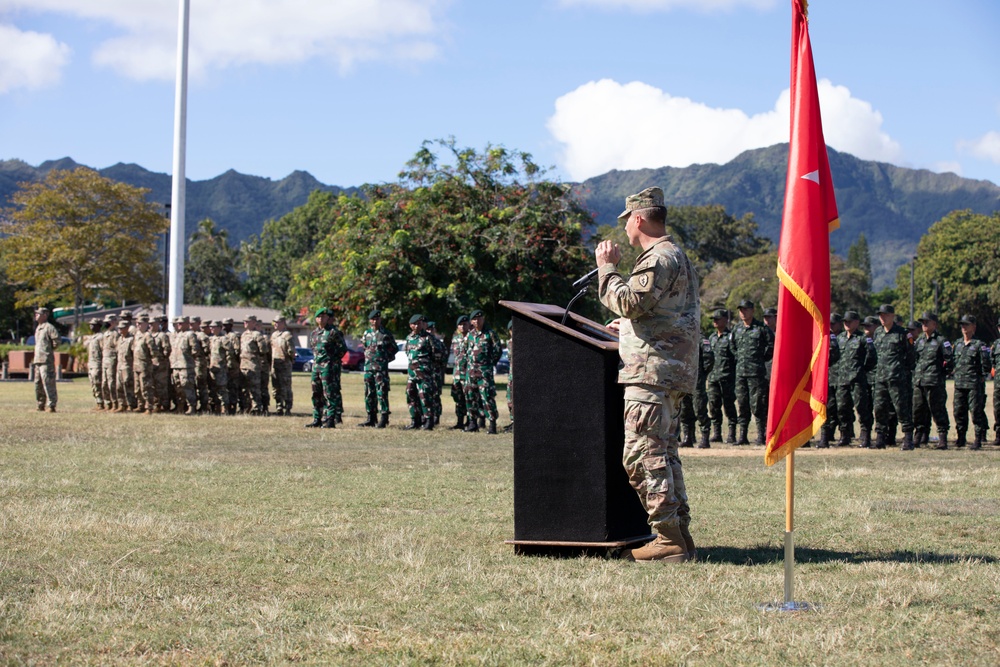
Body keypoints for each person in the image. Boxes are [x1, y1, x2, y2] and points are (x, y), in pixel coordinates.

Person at [596, 186, 700, 563]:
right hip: (667, 371)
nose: (624, 231)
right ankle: (679, 536)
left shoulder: (658, 257)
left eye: (626, 222)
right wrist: (626, 327)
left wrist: (607, 267)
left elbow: (629, 300)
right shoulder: (675, 256)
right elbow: (655, 314)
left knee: (642, 455)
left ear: (638, 219)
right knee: (664, 454)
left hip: (652, 374)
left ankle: (668, 537)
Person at [873, 304, 915, 450]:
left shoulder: (902, 333)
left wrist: (902, 372)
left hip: (896, 378)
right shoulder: (877, 332)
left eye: (885, 315)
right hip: (880, 378)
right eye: (880, 315)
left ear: (892, 316)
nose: (882, 318)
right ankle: (880, 439)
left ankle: (908, 439)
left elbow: (911, 356)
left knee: (901, 408)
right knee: (879, 408)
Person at [732, 299, 774, 445]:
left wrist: (759, 360)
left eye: (746, 309)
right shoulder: (737, 329)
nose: (743, 312)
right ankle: (742, 436)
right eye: (741, 310)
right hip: (741, 373)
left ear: (752, 310)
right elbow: (733, 348)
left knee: (758, 405)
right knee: (742, 404)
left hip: (756, 373)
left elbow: (771, 347)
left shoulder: (762, 328)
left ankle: (761, 435)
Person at [835, 311, 876, 448]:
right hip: (842, 380)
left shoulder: (863, 339)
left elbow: (871, 358)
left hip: (857, 380)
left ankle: (865, 436)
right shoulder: (840, 338)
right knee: (842, 408)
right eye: (844, 321)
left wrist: (860, 370)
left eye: (849, 321)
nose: (846, 324)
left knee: (862, 408)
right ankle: (845, 435)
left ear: (857, 322)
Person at [912, 311, 951, 449]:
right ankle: (918, 436)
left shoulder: (941, 341)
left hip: (934, 382)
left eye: (926, 322)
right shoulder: (920, 341)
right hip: (919, 381)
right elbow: (915, 359)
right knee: (918, 409)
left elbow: (950, 360)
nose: (924, 324)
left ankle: (942, 438)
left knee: (937, 409)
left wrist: (941, 374)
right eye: (922, 322)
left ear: (934, 324)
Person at [950, 315, 990, 450]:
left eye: (967, 325)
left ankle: (978, 438)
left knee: (976, 412)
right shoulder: (958, 344)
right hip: (960, 384)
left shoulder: (979, 345)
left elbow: (986, 365)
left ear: (974, 327)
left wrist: (980, 378)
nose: (964, 328)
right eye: (962, 325)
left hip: (974, 384)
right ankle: (961, 437)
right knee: (958, 411)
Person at [306, 308, 346, 428]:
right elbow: (314, 350)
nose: (322, 319)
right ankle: (317, 419)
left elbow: (342, 349)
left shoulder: (333, 332)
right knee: (316, 394)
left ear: (327, 318)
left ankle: (330, 419)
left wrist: (332, 361)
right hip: (316, 367)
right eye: (320, 317)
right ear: (316, 319)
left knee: (329, 393)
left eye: (324, 317)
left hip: (328, 367)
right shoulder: (313, 334)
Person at [465, 309, 503, 434]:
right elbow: (466, 352)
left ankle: (492, 424)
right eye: (474, 319)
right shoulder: (470, 335)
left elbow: (498, 351)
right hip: (471, 373)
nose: (477, 321)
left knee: (487, 397)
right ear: (471, 321)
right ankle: (473, 423)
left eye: (479, 318)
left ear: (483, 319)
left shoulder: (490, 334)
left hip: (484, 372)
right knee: (471, 397)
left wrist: (488, 363)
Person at [359, 309, 397, 428]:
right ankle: (371, 417)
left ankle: (384, 418)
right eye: (373, 319)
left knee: (382, 393)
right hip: (368, 368)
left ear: (380, 320)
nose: (375, 321)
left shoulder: (385, 334)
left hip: (380, 369)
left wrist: (384, 359)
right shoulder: (366, 334)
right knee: (369, 393)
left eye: (377, 319)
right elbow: (365, 347)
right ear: (370, 320)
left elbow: (394, 349)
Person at [706, 309, 737, 444]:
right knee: (713, 406)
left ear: (725, 320)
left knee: (729, 406)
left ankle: (731, 434)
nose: (715, 321)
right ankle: (717, 433)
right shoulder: (712, 338)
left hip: (727, 377)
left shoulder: (731, 337)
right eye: (714, 319)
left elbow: (736, 356)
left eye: (718, 319)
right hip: (713, 378)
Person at [680, 336, 713, 449]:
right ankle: (688, 437)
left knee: (699, 409)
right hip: (683, 378)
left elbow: (709, 359)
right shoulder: (681, 337)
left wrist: (702, 375)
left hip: (697, 379)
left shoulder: (701, 339)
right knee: (684, 410)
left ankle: (704, 438)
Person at [404, 314, 435, 430]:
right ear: (410, 325)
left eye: (419, 323)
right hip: (412, 373)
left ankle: (428, 421)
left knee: (425, 396)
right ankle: (415, 420)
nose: (417, 326)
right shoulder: (409, 338)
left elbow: (436, 354)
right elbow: (408, 352)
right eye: (414, 324)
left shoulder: (428, 338)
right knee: (410, 394)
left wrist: (427, 366)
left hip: (424, 373)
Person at [818, 313, 843, 448]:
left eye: (833, 323)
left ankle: (827, 436)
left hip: (834, 377)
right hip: (818, 377)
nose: (831, 326)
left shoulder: (831, 336)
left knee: (832, 407)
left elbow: (834, 356)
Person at [32, 307, 61, 412]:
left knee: (48, 383)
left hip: (46, 360)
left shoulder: (49, 327)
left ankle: (51, 405)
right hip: (38, 360)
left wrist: (49, 350)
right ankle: (40, 404)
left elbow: (56, 340)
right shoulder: (38, 328)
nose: (36, 315)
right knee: (37, 384)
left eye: (38, 314)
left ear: (45, 315)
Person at [169, 316, 198, 415]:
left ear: (187, 324)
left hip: (186, 365)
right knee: (177, 386)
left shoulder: (190, 334)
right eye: (178, 323)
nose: (179, 325)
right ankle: (180, 406)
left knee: (187, 386)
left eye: (181, 323)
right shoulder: (177, 335)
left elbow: (195, 350)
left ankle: (191, 407)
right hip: (176, 365)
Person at [239, 315, 267, 415]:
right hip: (243, 365)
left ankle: (257, 408)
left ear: (254, 323)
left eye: (247, 321)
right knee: (244, 389)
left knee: (254, 388)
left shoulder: (257, 335)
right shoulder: (243, 335)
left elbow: (263, 350)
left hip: (253, 365)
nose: (245, 323)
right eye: (244, 321)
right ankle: (247, 407)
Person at [449, 315, 472, 430]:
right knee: (458, 399)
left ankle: (470, 422)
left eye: (465, 324)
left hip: (469, 373)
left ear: (469, 325)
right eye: (460, 325)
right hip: (458, 373)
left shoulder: (472, 337)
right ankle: (459, 422)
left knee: (469, 398)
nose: (462, 327)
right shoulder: (456, 339)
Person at [270, 315, 295, 416]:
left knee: (286, 387)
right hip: (275, 365)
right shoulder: (274, 335)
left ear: (283, 323)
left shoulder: (287, 335)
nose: (275, 324)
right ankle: (279, 407)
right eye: (274, 322)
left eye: (277, 322)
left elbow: (292, 351)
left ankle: (287, 408)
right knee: (276, 388)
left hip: (284, 365)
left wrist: (290, 359)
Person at [427, 320, 448, 427]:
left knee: (435, 396)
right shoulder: (422, 341)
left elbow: (443, 359)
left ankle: (436, 416)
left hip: (435, 374)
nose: (429, 331)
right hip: (425, 374)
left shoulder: (439, 344)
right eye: (428, 329)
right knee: (424, 396)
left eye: (431, 329)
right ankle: (425, 416)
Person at [132, 314, 155, 414]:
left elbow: (153, 351)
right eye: (137, 323)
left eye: (140, 323)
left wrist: (154, 361)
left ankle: (149, 407)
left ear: (146, 324)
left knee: (145, 386)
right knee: (137, 388)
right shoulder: (137, 335)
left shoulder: (148, 335)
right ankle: (140, 405)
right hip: (136, 365)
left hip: (144, 365)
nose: (138, 325)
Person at [208, 321, 230, 415]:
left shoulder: (224, 339)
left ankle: (224, 408)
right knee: (213, 389)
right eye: (211, 327)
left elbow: (230, 352)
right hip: (213, 367)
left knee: (222, 389)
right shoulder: (212, 339)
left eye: (214, 327)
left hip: (221, 368)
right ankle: (215, 408)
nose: (212, 329)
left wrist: (226, 363)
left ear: (220, 328)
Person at [100, 313, 120, 411]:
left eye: (108, 322)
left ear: (113, 322)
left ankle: (115, 403)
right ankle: (108, 403)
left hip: (112, 360)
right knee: (104, 383)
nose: (106, 324)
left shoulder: (115, 334)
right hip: (105, 361)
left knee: (112, 383)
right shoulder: (105, 334)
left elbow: (117, 349)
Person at [85, 317, 104, 411]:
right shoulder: (92, 337)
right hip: (91, 364)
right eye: (90, 324)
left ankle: (101, 403)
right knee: (93, 384)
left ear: (98, 326)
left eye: (93, 324)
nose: (91, 326)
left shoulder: (101, 337)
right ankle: (98, 402)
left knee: (98, 383)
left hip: (98, 364)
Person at [504, 318, 514, 433]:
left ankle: (518, 423)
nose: (513, 331)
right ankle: (513, 421)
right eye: (511, 329)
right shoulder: (509, 343)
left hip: (519, 375)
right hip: (511, 376)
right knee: (509, 398)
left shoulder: (523, 342)